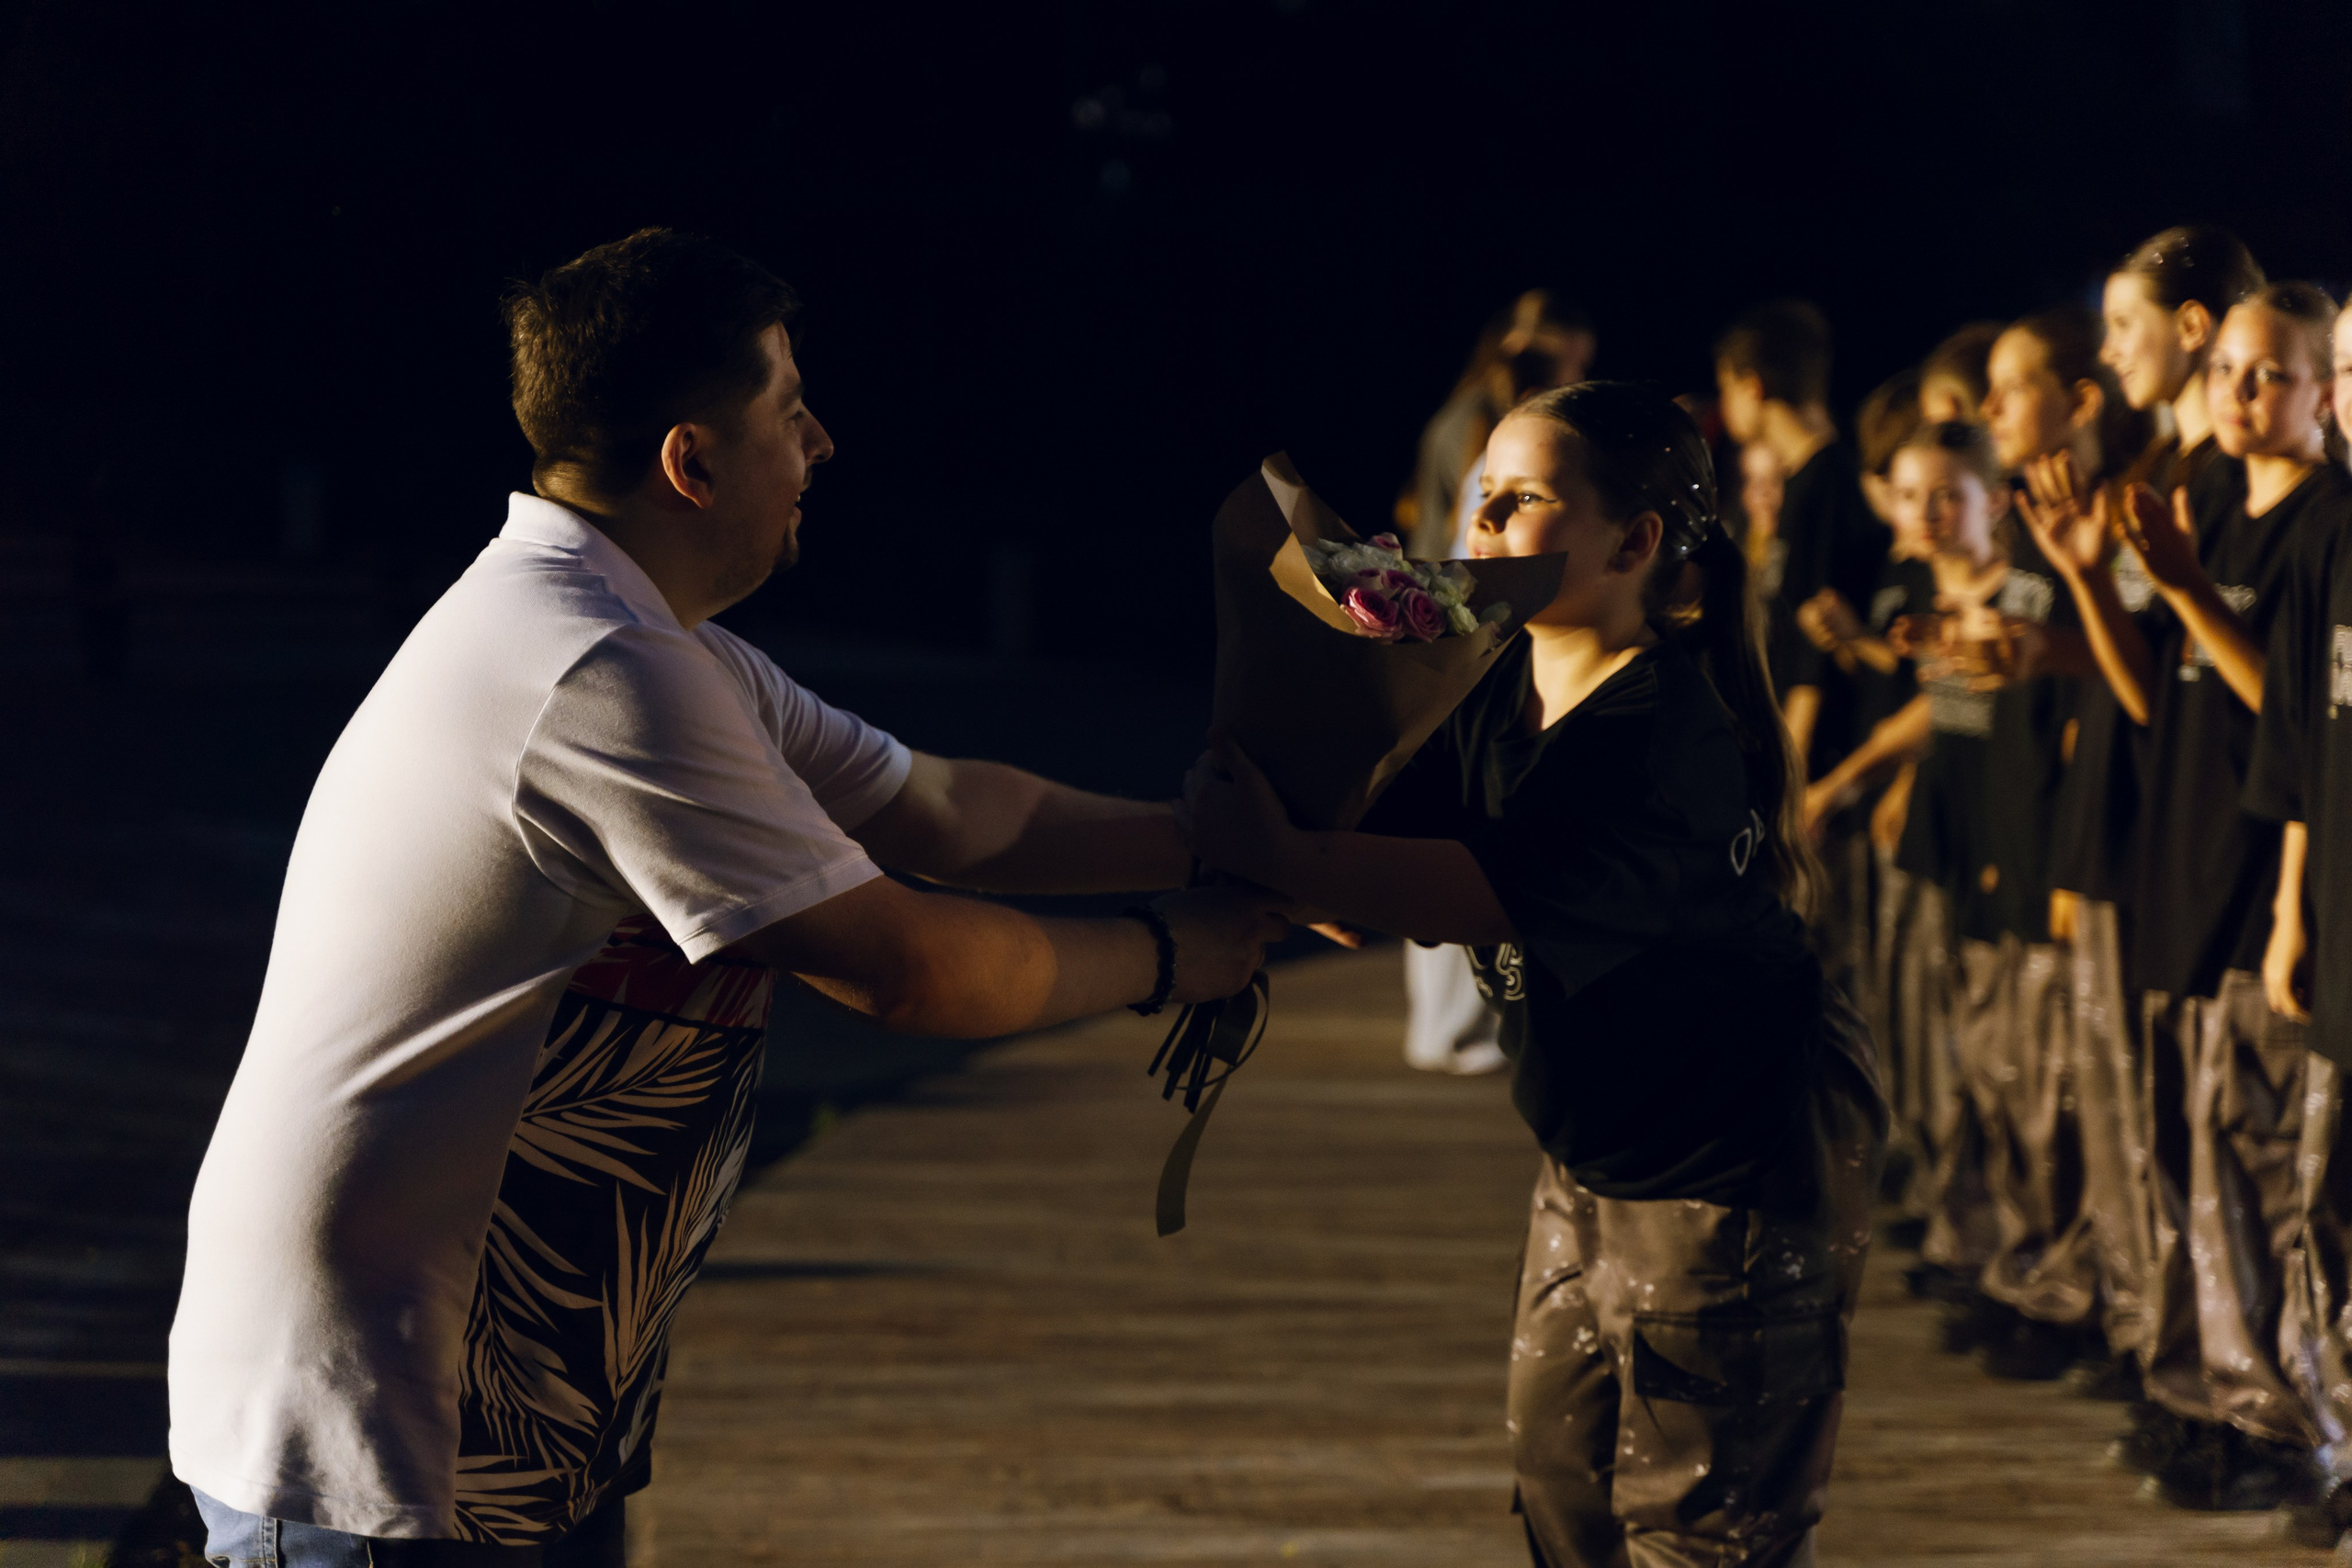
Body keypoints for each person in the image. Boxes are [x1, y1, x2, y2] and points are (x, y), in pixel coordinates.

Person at [166, 229, 1287, 1565]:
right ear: (690, 462)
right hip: (381, 1416)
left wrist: (1229, 844)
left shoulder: (654, 645)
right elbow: (903, 963)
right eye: (789, 411)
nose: (821, 443)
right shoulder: (591, 667)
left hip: (500, 1393)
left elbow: (943, 812)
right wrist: (1177, 952)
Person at [1187, 381, 1885, 1566]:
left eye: (1522, 500)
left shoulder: (1660, 730)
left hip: (1725, 1166)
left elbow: (1474, 890)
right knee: (1563, 1491)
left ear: (1634, 543)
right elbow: (1372, 862)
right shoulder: (1496, 683)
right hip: (1592, 1159)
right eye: (1481, 496)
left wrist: (1289, 860)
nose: (1483, 525)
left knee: (1705, 1530)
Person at [2024, 280, 2346, 1511]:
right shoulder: (2206, 498)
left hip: (2264, 875)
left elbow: (2293, 716)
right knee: (2188, 1143)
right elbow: (2157, 696)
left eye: (2272, 374)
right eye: (2230, 374)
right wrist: (2092, 581)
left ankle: (2279, 1419)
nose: (2240, 394)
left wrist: (2188, 590)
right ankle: (2211, 1391)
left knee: (2262, 1158)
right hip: (2183, 849)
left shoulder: (2322, 523)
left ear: (2320, 396)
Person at [2033, 225, 2264, 1405]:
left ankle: (2228, 1391)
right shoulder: (2164, 474)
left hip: (2212, 840)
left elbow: (2211, 689)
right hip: (2151, 825)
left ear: (2192, 326)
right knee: (2155, 1119)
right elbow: (2140, 683)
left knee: (2212, 1133)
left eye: (2125, 326)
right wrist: (2081, 580)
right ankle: (2173, 1357)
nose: (2111, 351)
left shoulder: (2231, 485)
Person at [1395, 295, 1594, 1071]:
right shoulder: (1498, 441)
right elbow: (1466, 545)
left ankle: (1448, 1024)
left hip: (1455, 638)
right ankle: (1457, 1025)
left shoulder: (1463, 426)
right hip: (1473, 643)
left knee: (1457, 822)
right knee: (1471, 824)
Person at [2250, 296, 2352, 1551]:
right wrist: (2291, 909)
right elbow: (2298, 753)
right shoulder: (2334, 535)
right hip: (2339, 927)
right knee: (2325, 1203)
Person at [1398, 290, 1596, 559]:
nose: (1579, 377)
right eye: (1576, 363)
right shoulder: (1473, 428)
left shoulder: (1473, 420)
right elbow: (1437, 533)